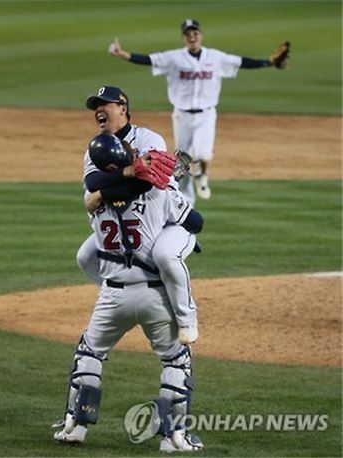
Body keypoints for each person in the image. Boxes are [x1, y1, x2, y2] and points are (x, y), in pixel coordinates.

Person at [52, 131, 203, 452]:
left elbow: (110, 190)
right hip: (154, 296)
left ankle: (74, 427)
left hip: (111, 297)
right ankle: (173, 438)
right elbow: (195, 221)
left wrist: (142, 181)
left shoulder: (93, 201)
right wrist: (167, 182)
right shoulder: (158, 193)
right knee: (176, 359)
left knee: (89, 355)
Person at [109, 19, 289, 203]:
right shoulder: (174, 57)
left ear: (201, 35)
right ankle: (186, 196)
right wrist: (123, 54)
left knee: (203, 153)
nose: (192, 37)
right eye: (188, 34)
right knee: (183, 158)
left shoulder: (215, 57)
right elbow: (149, 59)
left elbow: (242, 62)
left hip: (206, 114)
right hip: (182, 115)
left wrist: (269, 62)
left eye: (195, 33)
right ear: (183, 38)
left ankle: (202, 177)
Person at [76, 86, 202, 345]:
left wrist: (103, 194)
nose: (98, 110)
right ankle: (121, 299)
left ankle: (186, 317)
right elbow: (93, 182)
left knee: (165, 255)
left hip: (165, 218)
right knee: (86, 257)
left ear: (123, 108)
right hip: (133, 219)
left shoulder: (147, 138)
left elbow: (145, 185)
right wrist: (127, 173)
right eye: (95, 107)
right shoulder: (96, 148)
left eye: (105, 104)